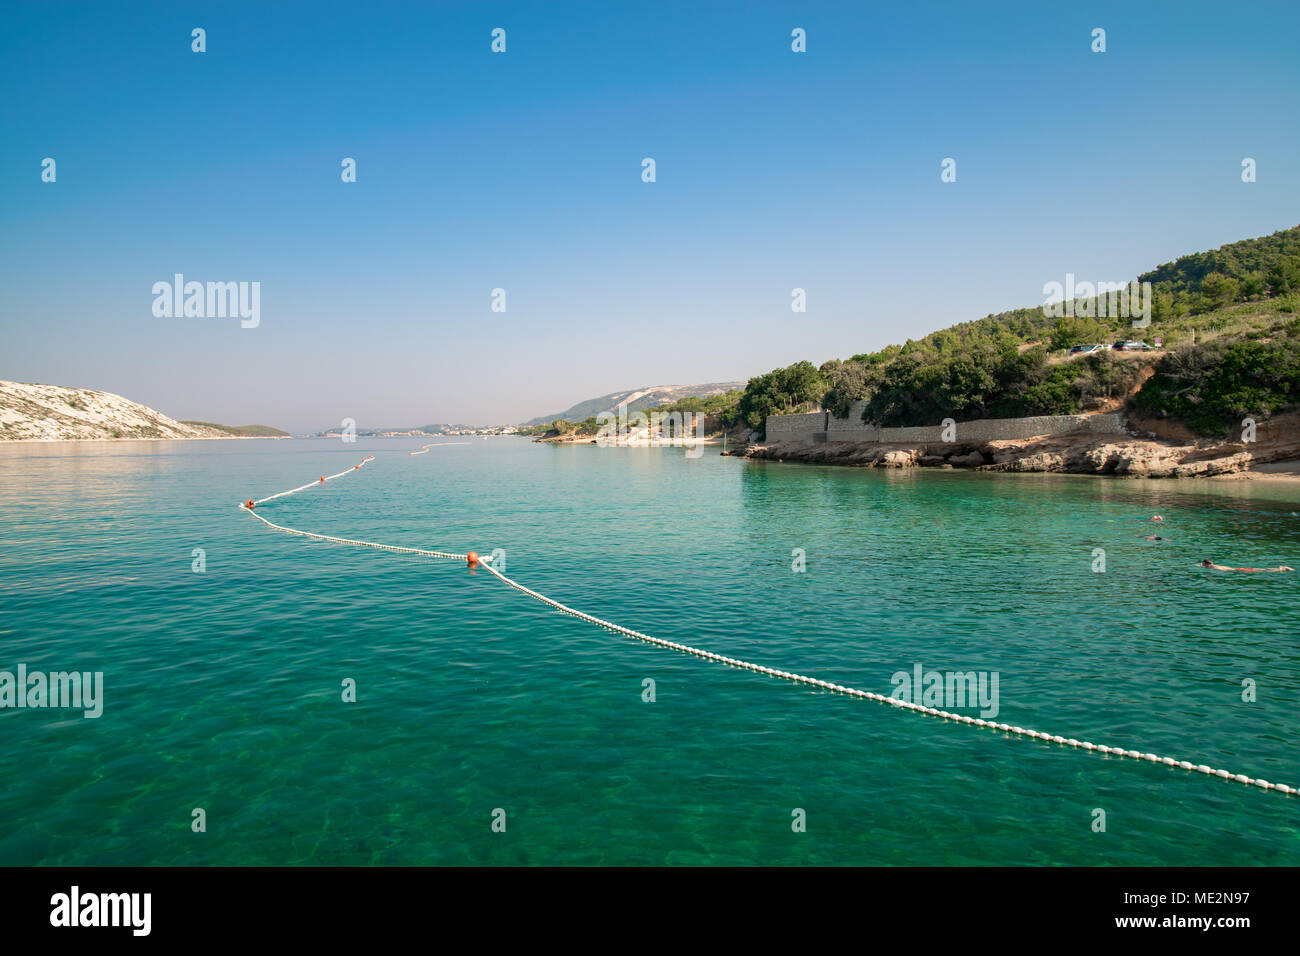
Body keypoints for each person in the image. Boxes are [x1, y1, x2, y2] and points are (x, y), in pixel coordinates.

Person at [1199, 559, 1294, 573]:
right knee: (1262, 570)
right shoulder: (1214, 565)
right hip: (1239, 569)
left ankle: (1281, 569)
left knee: (1262, 571)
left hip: (1239, 570)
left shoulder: (1213, 567)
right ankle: (1281, 568)